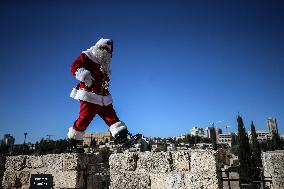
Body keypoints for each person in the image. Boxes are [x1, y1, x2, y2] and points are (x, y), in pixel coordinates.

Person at [67, 38, 130, 152]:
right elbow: (74, 66)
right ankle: (73, 143)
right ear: (97, 47)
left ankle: (123, 139)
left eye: (108, 50)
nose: (105, 51)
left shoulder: (104, 66)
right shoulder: (86, 56)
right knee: (84, 118)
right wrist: (84, 75)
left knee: (112, 117)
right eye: (103, 48)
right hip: (89, 95)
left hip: (103, 97)